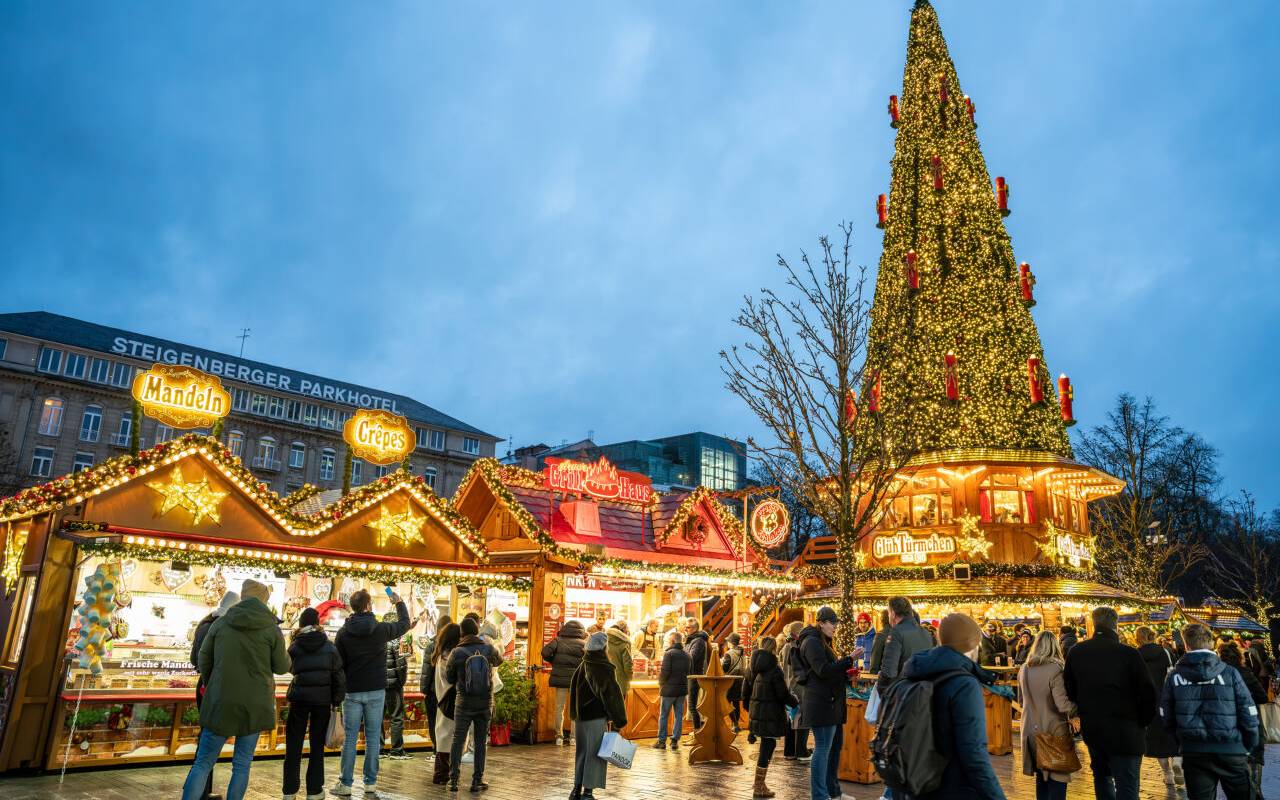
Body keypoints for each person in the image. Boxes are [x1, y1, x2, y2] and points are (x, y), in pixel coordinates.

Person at [181, 580, 288, 800]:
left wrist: (213, 683)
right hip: (255, 704)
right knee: (242, 764)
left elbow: (203, 657)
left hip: (221, 700)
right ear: (264, 600)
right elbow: (282, 666)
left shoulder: (222, 622)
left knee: (203, 763)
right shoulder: (271, 628)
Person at [906, 613, 1007, 800]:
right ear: (971, 645)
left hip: (916, 782)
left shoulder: (916, 671)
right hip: (954, 787)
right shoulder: (964, 684)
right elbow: (974, 754)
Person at [1064, 606, 1156, 800]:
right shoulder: (1128, 653)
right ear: (1116, 625)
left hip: (1094, 728)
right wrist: (1143, 721)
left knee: (1102, 777)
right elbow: (1148, 692)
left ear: (1094, 623)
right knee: (1127, 784)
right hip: (1126, 730)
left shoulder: (1076, 652)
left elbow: (1070, 689)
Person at [1160, 624, 1259, 800]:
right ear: (1211, 643)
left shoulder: (1174, 677)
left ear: (1187, 644)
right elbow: (1248, 711)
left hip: (1194, 751)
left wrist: (1181, 741)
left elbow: (1166, 716)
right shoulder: (1230, 673)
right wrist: (1249, 743)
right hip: (1231, 748)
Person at [332, 589, 410, 798]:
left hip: (352, 691)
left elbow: (338, 664)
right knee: (373, 737)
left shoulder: (343, 633)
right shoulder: (381, 629)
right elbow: (404, 624)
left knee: (350, 738)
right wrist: (399, 602)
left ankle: (346, 783)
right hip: (376, 689)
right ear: (368, 606)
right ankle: (370, 783)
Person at [283, 606, 345, 800]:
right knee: (317, 745)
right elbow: (339, 676)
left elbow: (289, 668)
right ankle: (314, 790)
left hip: (299, 700)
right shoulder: (329, 647)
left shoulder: (294, 646)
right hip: (321, 702)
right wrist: (337, 701)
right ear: (318, 624)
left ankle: (289, 791)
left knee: (293, 744)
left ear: (301, 625)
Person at [796, 606, 854, 800]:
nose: (835, 626)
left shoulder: (822, 641)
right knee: (823, 748)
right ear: (821, 623)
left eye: (836, 623)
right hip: (821, 703)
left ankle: (832, 792)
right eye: (832, 623)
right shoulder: (812, 642)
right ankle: (820, 795)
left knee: (833, 748)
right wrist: (849, 660)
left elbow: (828, 672)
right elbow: (822, 670)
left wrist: (846, 675)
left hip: (830, 703)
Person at [189, 590, 238, 800]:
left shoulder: (204, 624)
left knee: (205, 739)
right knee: (208, 745)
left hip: (203, 685)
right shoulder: (224, 626)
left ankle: (200, 790)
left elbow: (195, 659)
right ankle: (201, 792)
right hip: (216, 686)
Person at [445, 615, 502, 793]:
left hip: (463, 702)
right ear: (477, 631)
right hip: (485, 702)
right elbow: (499, 660)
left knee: (458, 739)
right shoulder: (488, 648)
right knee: (480, 742)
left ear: (461, 633)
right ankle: (477, 780)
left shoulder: (456, 652)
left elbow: (449, 677)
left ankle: (453, 780)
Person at [569, 631, 628, 800]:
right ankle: (588, 793)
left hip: (581, 718)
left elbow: (574, 691)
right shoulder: (602, 667)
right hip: (595, 717)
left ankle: (576, 790)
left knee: (582, 753)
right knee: (595, 754)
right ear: (604, 647)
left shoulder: (584, 663)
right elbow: (610, 695)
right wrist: (619, 719)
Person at [1019, 630, 1077, 800]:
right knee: (1057, 780)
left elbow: (1021, 701)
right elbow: (1063, 704)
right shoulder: (1055, 669)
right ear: (1054, 646)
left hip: (1030, 730)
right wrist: (1078, 710)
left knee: (1041, 778)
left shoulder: (1024, 668)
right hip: (1052, 731)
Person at [746, 636, 798, 799]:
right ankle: (759, 786)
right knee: (767, 747)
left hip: (758, 713)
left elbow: (746, 691)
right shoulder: (774, 670)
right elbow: (782, 694)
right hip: (770, 714)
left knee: (766, 745)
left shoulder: (753, 667)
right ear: (774, 649)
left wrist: (751, 711)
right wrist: (794, 701)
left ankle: (760, 784)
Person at [1218, 641, 1268, 798]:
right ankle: (1255, 790)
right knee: (1254, 757)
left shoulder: (1217, 675)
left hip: (1228, 726)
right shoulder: (1245, 673)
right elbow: (1263, 697)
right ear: (1239, 655)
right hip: (1250, 722)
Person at [1135, 626, 1182, 788]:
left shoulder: (1136, 655)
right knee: (1173, 732)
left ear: (1138, 638)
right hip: (1167, 699)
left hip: (1148, 702)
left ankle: (1167, 774)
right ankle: (1177, 760)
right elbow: (1174, 672)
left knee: (1157, 740)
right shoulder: (1165, 652)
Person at [541, 618, 588, 745]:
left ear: (565, 629)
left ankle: (559, 737)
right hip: (576, 681)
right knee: (574, 709)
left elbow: (545, 652)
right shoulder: (583, 644)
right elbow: (588, 660)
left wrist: (554, 661)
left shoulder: (558, 640)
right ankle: (573, 738)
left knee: (559, 708)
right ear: (580, 631)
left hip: (561, 679)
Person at [877, 596, 931, 693]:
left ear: (893, 614)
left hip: (903, 694)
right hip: (924, 693)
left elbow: (889, 672)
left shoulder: (896, 632)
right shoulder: (926, 633)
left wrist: (884, 693)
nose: (888, 616)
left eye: (888, 613)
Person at [431, 623, 462, 785]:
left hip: (442, 699)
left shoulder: (440, 655)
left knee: (444, 737)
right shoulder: (449, 657)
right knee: (448, 738)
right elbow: (452, 678)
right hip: (449, 700)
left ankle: (442, 773)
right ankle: (442, 774)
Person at [778, 621, 811, 762]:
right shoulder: (795, 647)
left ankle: (790, 751)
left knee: (792, 721)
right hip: (798, 687)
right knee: (801, 719)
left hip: (788, 686)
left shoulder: (786, 646)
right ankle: (801, 751)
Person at [420, 614, 453, 753]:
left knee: (433, 721)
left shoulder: (431, 646)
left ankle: (437, 749)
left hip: (434, 691)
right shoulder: (454, 646)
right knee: (445, 722)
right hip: (448, 691)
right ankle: (445, 750)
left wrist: (424, 690)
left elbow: (426, 671)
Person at [654, 631, 691, 750]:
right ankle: (675, 741)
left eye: (670, 640)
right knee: (678, 716)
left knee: (664, 715)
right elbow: (689, 672)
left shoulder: (669, 654)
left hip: (668, 690)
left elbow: (665, 672)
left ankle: (661, 741)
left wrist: (661, 683)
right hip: (682, 690)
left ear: (673, 641)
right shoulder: (687, 655)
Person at [381, 611, 410, 760]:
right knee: (396, 717)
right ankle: (397, 750)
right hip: (393, 685)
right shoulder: (397, 641)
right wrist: (401, 682)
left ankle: (378, 749)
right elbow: (401, 666)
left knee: (378, 717)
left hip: (378, 685)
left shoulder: (378, 640)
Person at [684, 618, 710, 732]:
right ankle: (698, 731)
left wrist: (680, 656)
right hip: (691, 675)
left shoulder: (698, 641)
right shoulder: (692, 639)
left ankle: (698, 732)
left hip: (694, 676)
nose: (685, 629)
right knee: (692, 706)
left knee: (692, 706)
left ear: (694, 628)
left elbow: (691, 658)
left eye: (688, 627)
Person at [722, 632, 747, 733]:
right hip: (740, 680)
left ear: (731, 642)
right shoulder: (742, 652)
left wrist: (721, 662)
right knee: (736, 702)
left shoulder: (729, 653)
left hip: (730, 681)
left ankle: (735, 723)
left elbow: (724, 668)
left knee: (726, 702)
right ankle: (736, 725)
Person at [605, 621, 634, 697]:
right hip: (620, 683)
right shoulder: (624, 644)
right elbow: (628, 665)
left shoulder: (602, 641)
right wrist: (630, 677)